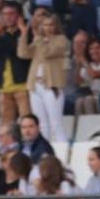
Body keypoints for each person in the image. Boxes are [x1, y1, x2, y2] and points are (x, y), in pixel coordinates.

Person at [17, 11, 71, 144]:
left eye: (51, 25)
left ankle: (62, 150)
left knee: (55, 122)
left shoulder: (61, 40)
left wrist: (38, 39)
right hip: (35, 85)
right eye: (45, 25)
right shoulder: (39, 40)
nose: (48, 28)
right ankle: (44, 150)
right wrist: (24, 33)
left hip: (52, 85)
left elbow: (47, 53)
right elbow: (23, 53)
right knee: (42, 124)